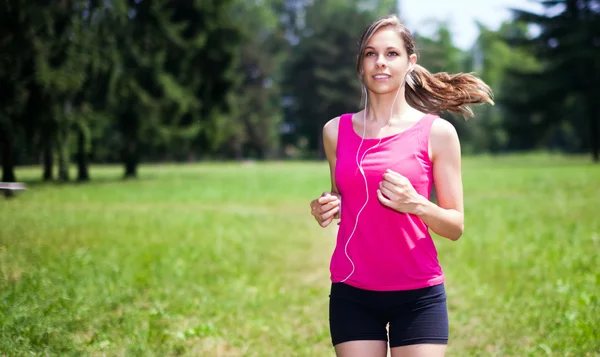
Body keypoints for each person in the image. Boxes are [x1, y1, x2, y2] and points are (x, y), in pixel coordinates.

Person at [309, 14, 494, 357]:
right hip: (353, 290)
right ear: (361, 65)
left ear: (411, 63)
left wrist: (416, 204)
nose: (380, 62)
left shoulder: (437, 133)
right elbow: (343, 197)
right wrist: (326, 205)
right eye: (370, 53)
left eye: (391, 53)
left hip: (418, 293)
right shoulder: (335, 131)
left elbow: (455, 226)